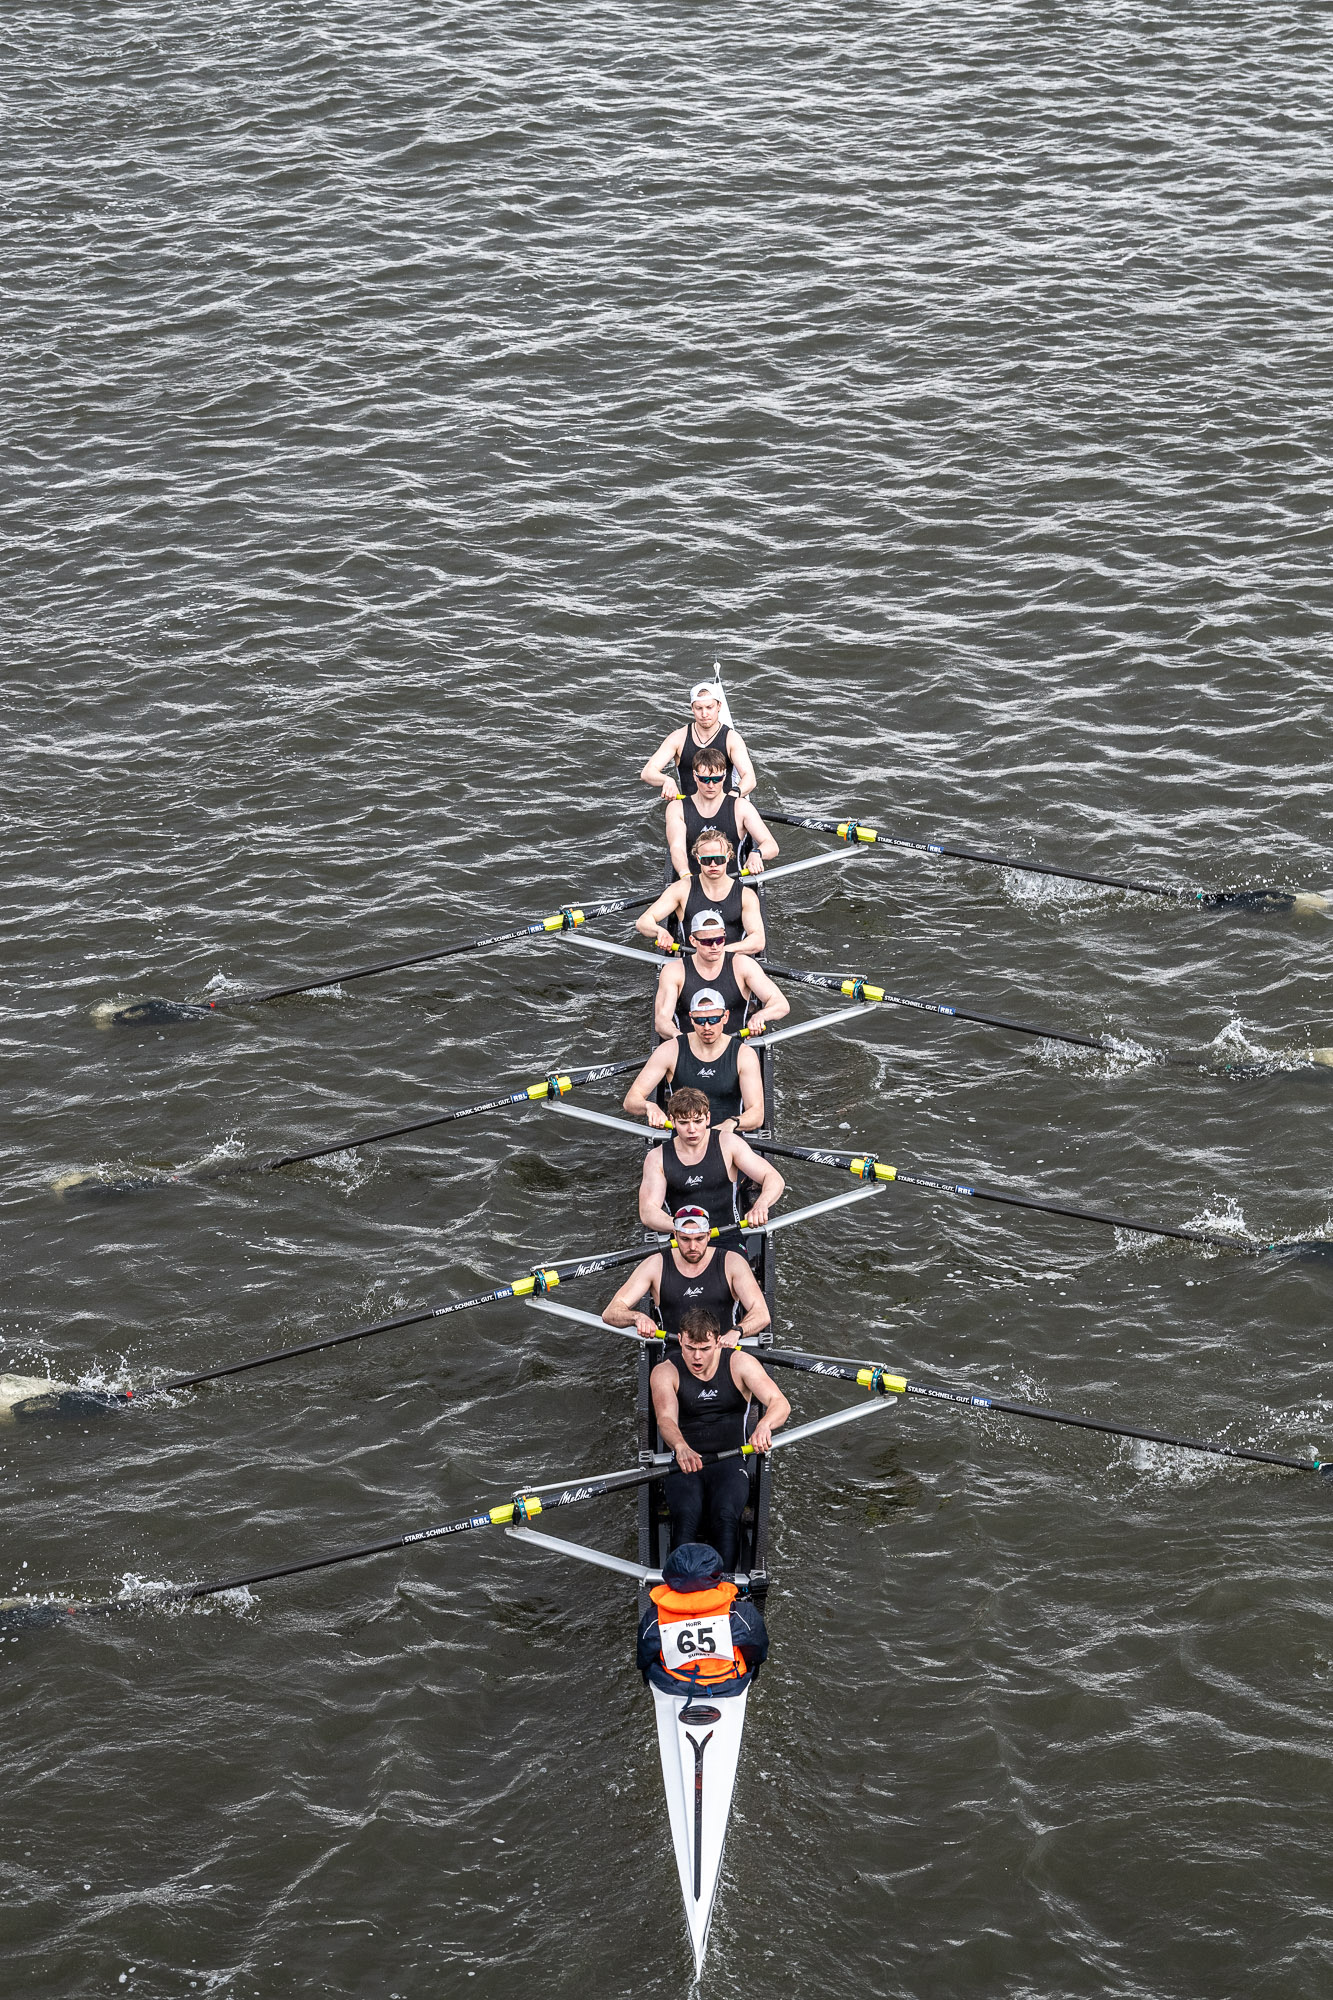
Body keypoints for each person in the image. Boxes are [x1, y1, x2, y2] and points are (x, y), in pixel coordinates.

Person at [649, 1307, 790, 1574]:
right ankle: (679, 1589)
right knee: (686, 1517)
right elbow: (665, 1420)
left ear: (718, 1341)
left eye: (705, 1348)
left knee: (726, 1517)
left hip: (731, 1459)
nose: (697, 1357)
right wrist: (680, 1447)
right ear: (680, 1340)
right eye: (690, 1348)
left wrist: (763, 1426)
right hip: (687, 1461)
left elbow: (779, 1403)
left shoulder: (740, 1363)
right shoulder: (665, 1372)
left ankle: (725, 1589)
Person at [601, 1204, 771, 1347]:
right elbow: (610, 1312)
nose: (692, 1247)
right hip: (676, 1360)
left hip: (722, 1353)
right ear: (674, 1235)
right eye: (685, 1239)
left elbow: (761, 1314)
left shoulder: (732, 1262)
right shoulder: (655, 1265)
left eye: (699, 1239)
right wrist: (637, 1317)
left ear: (709, 1235)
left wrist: (737, 1332)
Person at [638, 1088, 784, 1234]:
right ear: (672, 1121)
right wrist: (684, 1227)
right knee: (652, 1259)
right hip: (683, 1239)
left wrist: (761, 1204)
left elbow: (773, 1178)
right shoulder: (657, 1157)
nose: (692, 1129)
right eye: (683, 1123)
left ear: (708, 1118)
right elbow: (648, 1211)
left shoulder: (728, 1143)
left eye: (698, 1121)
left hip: (726, 1237)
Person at [637, 1540, 769, 1696]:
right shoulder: (741, 1613)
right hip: (729, 1683)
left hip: (674, 1683)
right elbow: (757, 1651)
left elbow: (644, 1656)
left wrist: (646, 1676)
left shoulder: (653, 1617)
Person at [625, 986, 764, 1132]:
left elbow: (757, 1114)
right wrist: (650, 1106)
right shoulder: (670, 1050)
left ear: (726, 1017)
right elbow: (631, 1100)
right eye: (700, 1020)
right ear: (691, 1019)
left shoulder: (744, 1055)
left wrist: (732, 1123)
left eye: (714, 1019)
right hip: (684, 1141)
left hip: (726, 1141)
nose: (707, 1027)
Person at [653, 908, 789, 1043]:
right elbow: (661, 1021)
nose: (715, 946)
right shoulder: (674, 971)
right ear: (693, 941)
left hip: (735, 1050)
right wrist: (677, 1036)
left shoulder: (742, 965)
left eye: (719, 940)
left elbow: (781, 1004)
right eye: (707, 941)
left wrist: (760, 1016)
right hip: (689, 1050)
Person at [636, 831, 765, 956]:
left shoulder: (746, 895)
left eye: (719, 859)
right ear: (698, 859)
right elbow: (643, 922)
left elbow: (758, 940)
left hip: (732, 964)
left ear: (728, 856)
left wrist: (718, 952)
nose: (713, 864)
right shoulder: (682, 889)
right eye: (707, 860)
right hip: (693, 965)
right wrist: (659, 931)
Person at [664, 741, 778, 881]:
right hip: (690, 881)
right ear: (694, 776)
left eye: (716, 779)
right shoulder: (677, 808)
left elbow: (771, 845)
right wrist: (685, 876)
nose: (711, 785)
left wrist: (757, 853)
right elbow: (677, 848)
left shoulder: (741, 807)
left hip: (732, 884)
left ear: (724, 776)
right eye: (704, 779)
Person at [641, 678, 757, 802]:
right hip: (691, 807)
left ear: (719, 706)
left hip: (725, 804)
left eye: (709, 707)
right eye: (699, 708)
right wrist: (667, 780)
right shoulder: (678, 738)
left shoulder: (732, 739)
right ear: (692, 708)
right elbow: (647, 772)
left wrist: (734, 794)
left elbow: (750, 778)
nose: (704, 714)